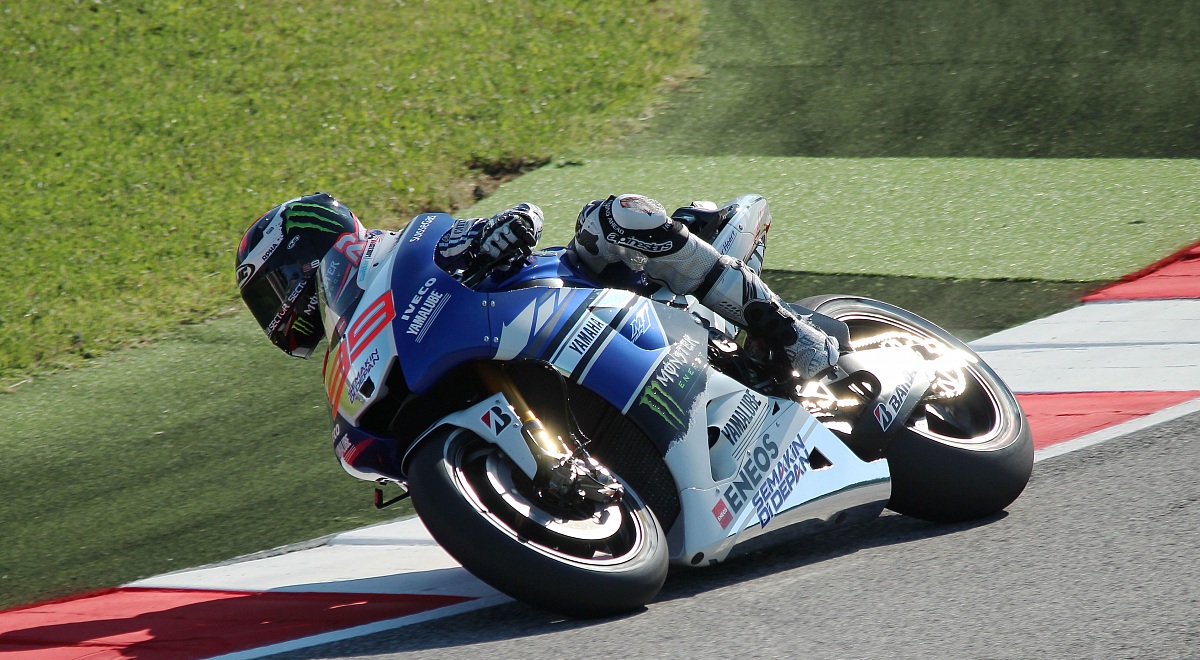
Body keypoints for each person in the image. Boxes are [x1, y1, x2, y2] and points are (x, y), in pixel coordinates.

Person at [235, 192, 840, 379]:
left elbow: (520, 215)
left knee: (615, 215)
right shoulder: (355, 344)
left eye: (273, 289)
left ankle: (789, 332)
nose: (278, 309)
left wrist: (502, 232)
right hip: (519, 354)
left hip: (572, 291)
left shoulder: (397, 251)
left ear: (304, 252)